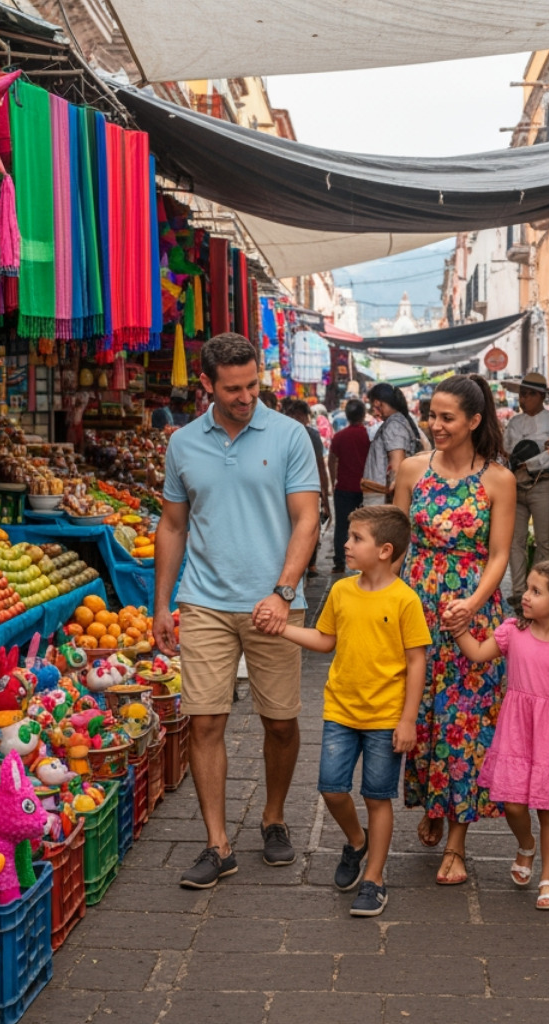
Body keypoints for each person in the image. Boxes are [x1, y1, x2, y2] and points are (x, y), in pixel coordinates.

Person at [153, 333, 322, 889]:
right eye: (233, 389)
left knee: (279, 721)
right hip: (203, 599)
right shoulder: (183, 443)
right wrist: (161, 604)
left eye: (252, 385)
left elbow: (306, 519)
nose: (246, 396)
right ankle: (216, 842)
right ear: (207, 384)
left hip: (274, 602)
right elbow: (173, 525)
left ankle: (273, 818)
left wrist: (284, 589)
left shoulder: (289, 434)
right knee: (204, 720)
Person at [257, 505, 430, 917]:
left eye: (356, 539)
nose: (346, 545)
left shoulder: (405, 600)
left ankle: (374, 879)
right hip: (340, 710)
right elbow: (324, 639)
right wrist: (283, 629)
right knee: (332, 789)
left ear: (385, 550)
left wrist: (408, 719)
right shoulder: (341, 591)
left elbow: (417, 660)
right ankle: (357, 841)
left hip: (386, 717)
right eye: (349, 537)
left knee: (376, 797)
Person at [393, 374, 516, 885]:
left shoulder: (498, 480)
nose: (436, 426)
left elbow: (501, 554)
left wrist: (472, 604)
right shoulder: (410, 471)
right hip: (416, 605)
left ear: (473, 420)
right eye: (432, 415)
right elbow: (393, 540)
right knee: (420, 718)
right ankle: (434, 805)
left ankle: (458, 842)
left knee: (465, 725)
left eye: (447, 418)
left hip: (472, 611)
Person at [451, 561, 549, 911]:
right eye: (527, 588)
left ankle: (548, 878)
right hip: (517, 729)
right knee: (513, 804)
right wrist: (459, 629)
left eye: (536, 592)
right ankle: (526, 843)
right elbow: (477, 654)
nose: (525, 597)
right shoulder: (512, 632)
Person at [501, 371, 549, 610]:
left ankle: (541, 589)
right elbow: (506, 451)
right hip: (515, 488)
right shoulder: (515, 422)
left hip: (541, 484)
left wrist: (528, 464)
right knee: (515, 540)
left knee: (544, 541)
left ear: (540, 396)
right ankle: (519, 591)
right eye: (521, 394)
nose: (523, 399)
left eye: (528, 394)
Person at [285, 399, 334, 574]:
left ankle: (306, 562)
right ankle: (310, 563)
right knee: (309, 521)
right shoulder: (310, 434)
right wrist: (326, 499)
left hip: (292, 489)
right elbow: (321, 467)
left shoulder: (280, 433)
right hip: (306, 488)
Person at [328, 399, 373, 573]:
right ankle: (366, 559)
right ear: (363, 415)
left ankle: (339, 562)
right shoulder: (369, 436)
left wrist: (332, 482)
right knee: (366, 525)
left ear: (347, 415)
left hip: (344, 488)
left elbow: (332, 461)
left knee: (341, 526)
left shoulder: (339, 437)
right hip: (366, 489)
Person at [362, 382, 423, 506]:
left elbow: (397, 466)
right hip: (380, 497)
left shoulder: (394, 425)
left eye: (374, 406)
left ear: (379, 403)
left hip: (381, 500)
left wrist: (393, 502)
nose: (374, 411)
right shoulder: (396, 422)